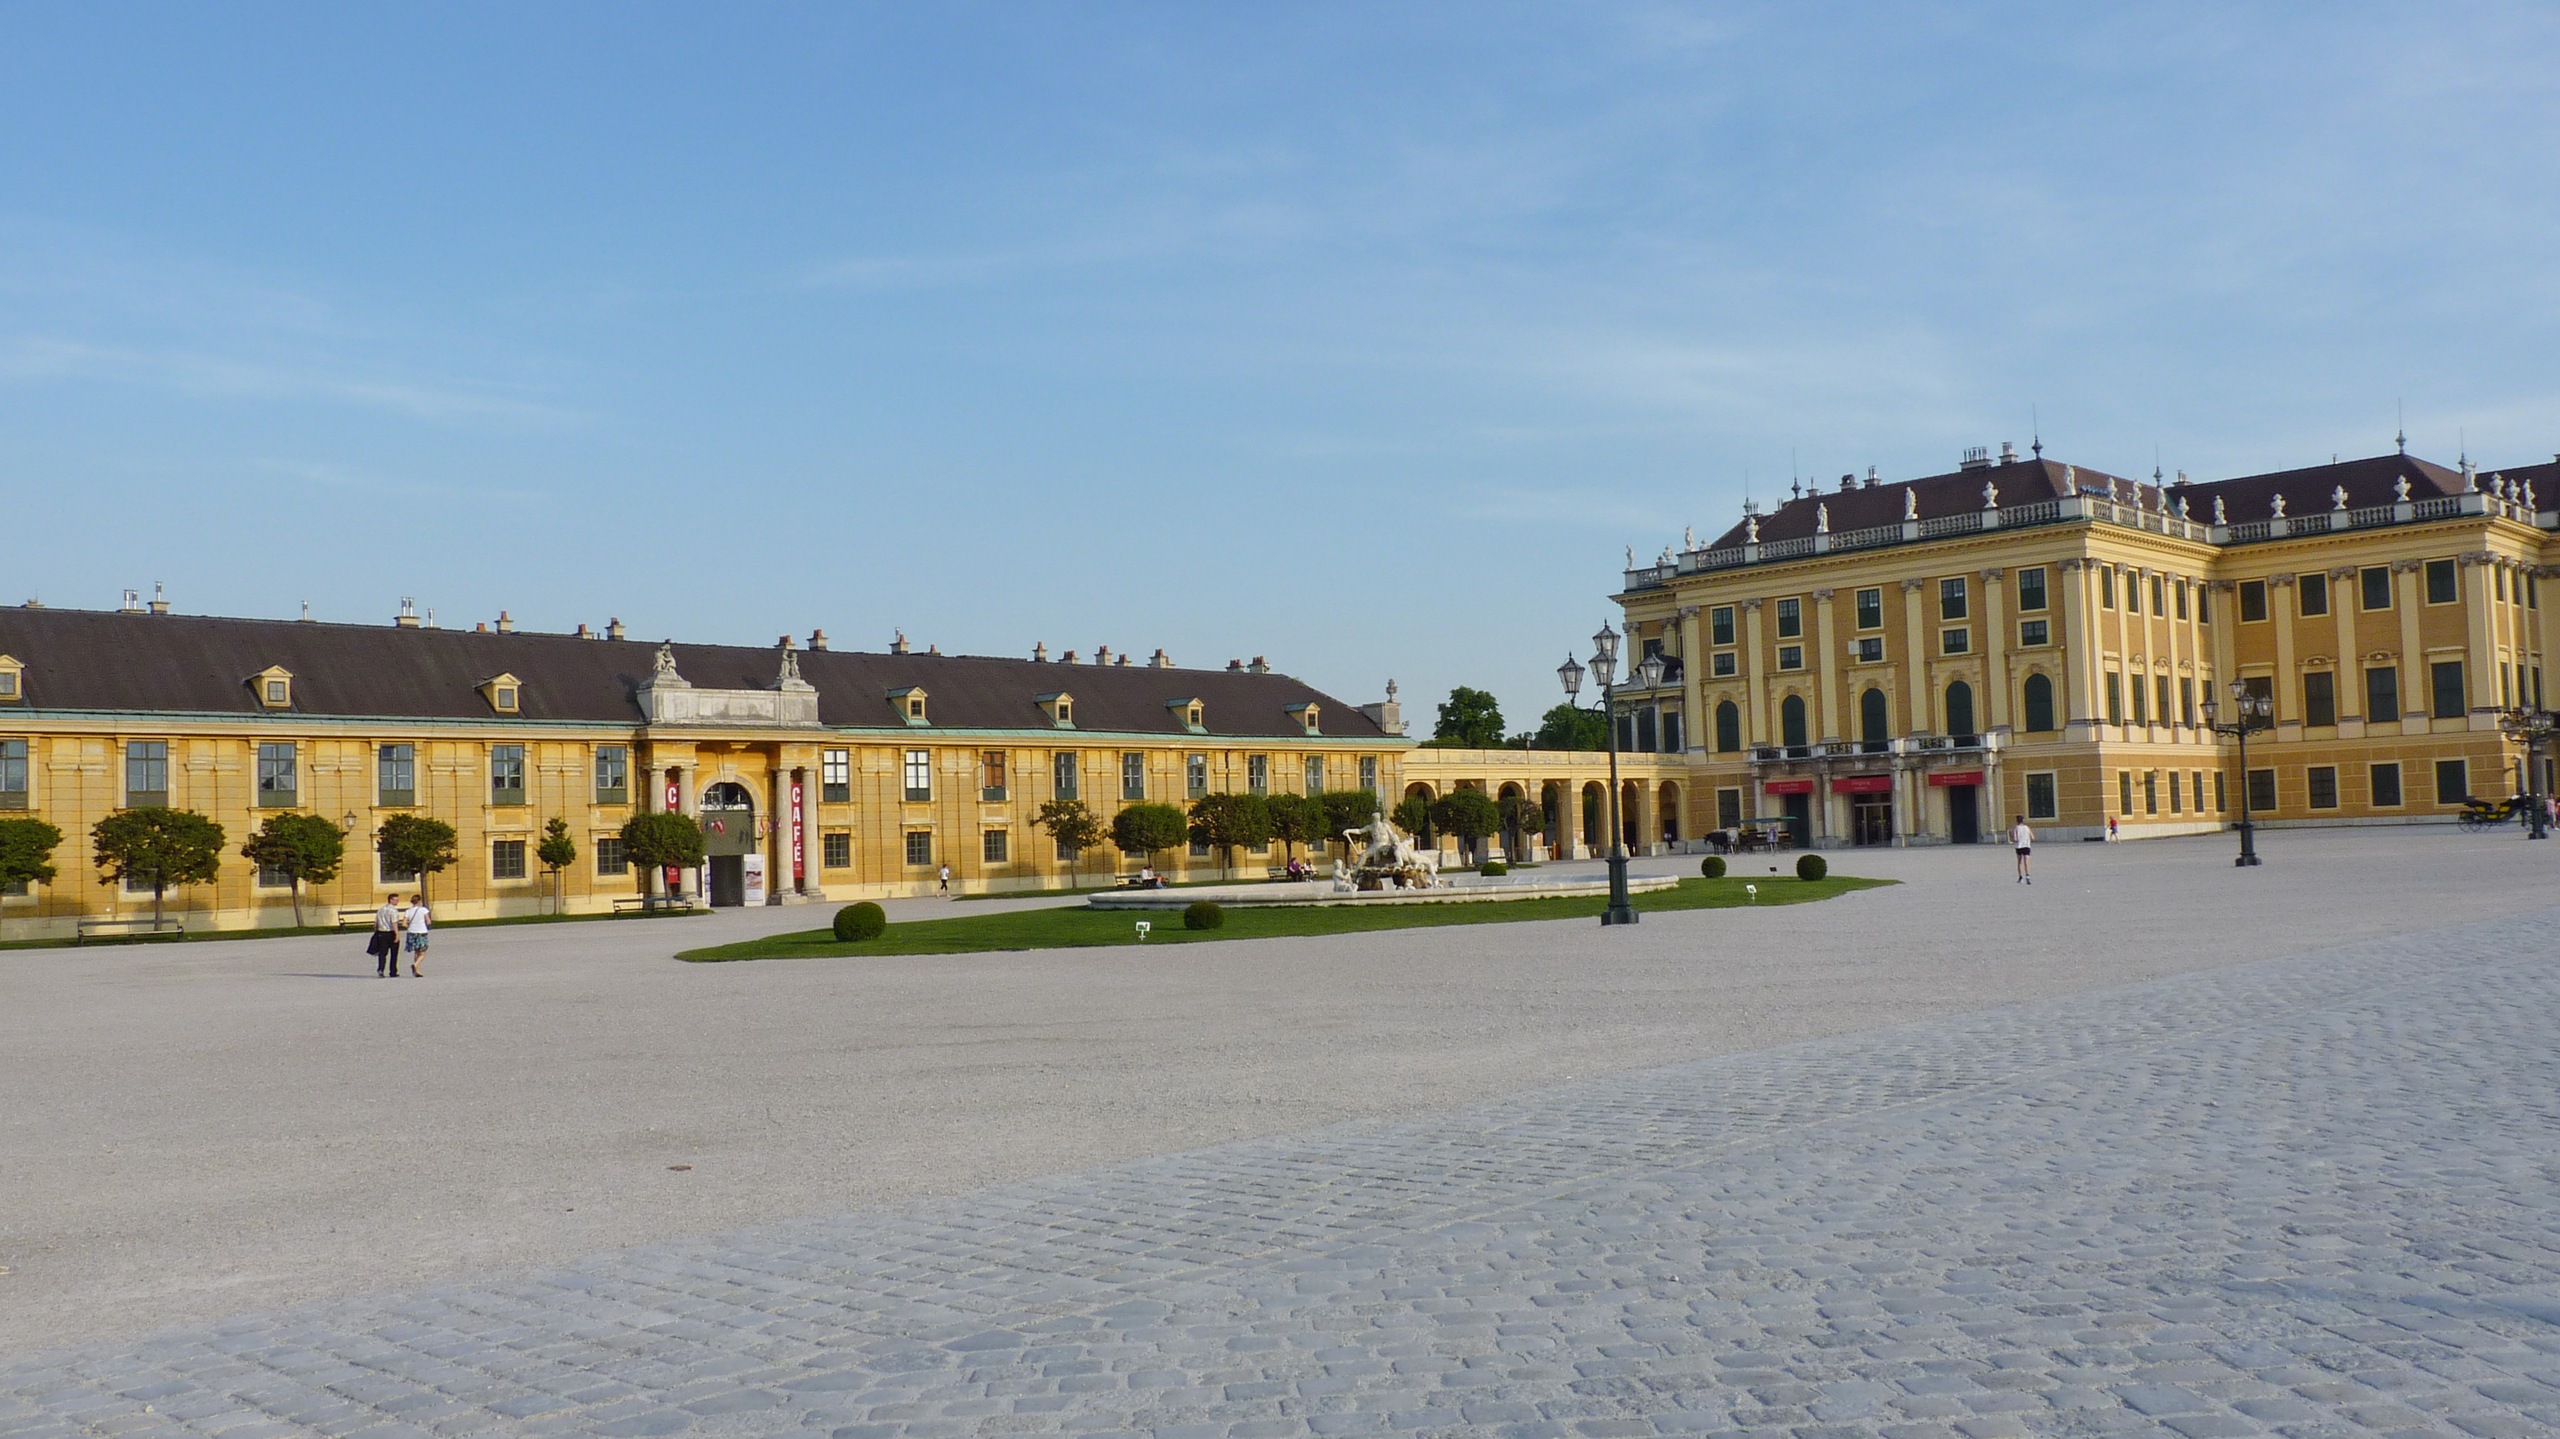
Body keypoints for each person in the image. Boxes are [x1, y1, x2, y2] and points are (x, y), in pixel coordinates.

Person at [369, 894, 402, 978]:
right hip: (391, 932)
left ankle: (381, 969)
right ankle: (393, 971)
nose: (397, 901)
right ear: (390, 900)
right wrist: (397, 934)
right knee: (394, 953)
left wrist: (376, 932)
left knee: (382, 953)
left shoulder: (381, 909)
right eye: (395, 900)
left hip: (381, 933)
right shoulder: (393, 910)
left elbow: (376, 922)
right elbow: (394, 923)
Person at [402, 894, 431, 976]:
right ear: (419, 901)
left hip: (411, 932)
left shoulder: (408, 911)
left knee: (416, 952)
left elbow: (404, 924)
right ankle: (415, 965)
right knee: (422, 953)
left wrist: (410, 926)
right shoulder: (423, 910)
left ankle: (416, 970)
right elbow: (428, 921)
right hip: (421, 932)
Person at [2011, 815, 2033, 884]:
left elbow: (2015, 839)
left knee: (2020, 862)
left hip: (2019, 846)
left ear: (2017, 821)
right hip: (2026, 846)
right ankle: (2028, 876)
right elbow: (2033, 837)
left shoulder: (2016, 828)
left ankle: (2021, 878)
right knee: (2026, 862)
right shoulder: (2027, 828)